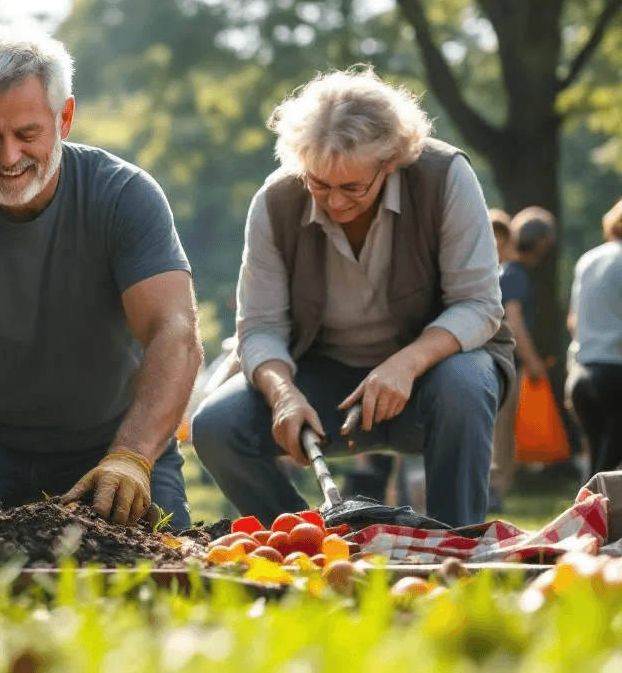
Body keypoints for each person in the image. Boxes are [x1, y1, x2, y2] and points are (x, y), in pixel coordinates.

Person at [0, 26, 202, 529]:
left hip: (113, 443)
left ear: (64, 117)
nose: (8, 158)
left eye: (27, 134)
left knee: (170, 571)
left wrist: (133, 455)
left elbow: (175, 336)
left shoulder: (125, 198)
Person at [191, 67, 514, 529]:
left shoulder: (446, 176)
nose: (335, 203)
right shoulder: (274, 201)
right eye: (319, 185)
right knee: (217, 427)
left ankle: (457, 549)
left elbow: (480, 305)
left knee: (465, 380)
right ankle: (309, 538)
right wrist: (283, 395)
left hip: (433, 377)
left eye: (352, 187)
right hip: (321, 382)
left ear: (391, 162)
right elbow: (259, 327)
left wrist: (406, 363)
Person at [488, 206, 558, 508]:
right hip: (506, 365)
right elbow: (513, 320)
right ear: (541, 243)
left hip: (498, 363)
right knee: (502, 442)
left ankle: (494, 496)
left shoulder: (506, 272)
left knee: (503, 440)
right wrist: (533, 363)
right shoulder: (516, 275)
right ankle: (491, 498)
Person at [567, 198, 622, 475]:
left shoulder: (588, 259)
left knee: (596, 467)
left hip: (582, 372)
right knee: (608, 468)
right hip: (615, 372)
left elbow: (573, 320)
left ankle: (585, 515)